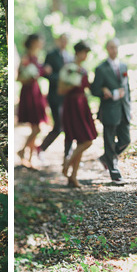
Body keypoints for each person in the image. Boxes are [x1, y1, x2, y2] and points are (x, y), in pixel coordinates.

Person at [90, 38, 131, 182]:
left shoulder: (124, 66)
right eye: (111, 47)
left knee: (126, 140)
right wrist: (103, 91)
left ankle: (106, 158)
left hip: (123, 110)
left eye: (116, 47)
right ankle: (115, 174)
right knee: (109, 141)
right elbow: (94, 89)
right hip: (108, 111)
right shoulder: (101, 69)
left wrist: (129, 108)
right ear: (107, 49)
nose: (114, 50)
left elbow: (127, 89)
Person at [58, 41, 97, 187]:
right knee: (87, 140)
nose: (86, 56)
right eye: (85, 52)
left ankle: (73, 177)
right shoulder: (68, 68)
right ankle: (67, 162)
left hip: (83, 105)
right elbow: (60, 91)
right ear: (78, 52)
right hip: (72, 104)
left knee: (83, 141)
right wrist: (72, 83)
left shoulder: (84, 70)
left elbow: (89, 87)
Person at [16, 34, 52, 168]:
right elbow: (19, 78)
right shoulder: (26, 58)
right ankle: (21, 151)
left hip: (36, 91)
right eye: (39, 41)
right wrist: (30, 76)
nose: (41, 43)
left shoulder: (36, 57)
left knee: (36, 127)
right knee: (36, 128)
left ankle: (30, 159)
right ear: (33, 42)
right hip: (28, 92)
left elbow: (38, 73)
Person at [37, 34, 74, 162]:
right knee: (58, 127)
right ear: (58, 40)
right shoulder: (51, 55)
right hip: (54, 95)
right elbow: (45, 74)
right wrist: (60, 79)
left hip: (68, 96)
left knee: (69, 125)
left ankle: (68, 154)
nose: (64, 42)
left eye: (66, 40)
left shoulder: (70, 56)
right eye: (62, 40)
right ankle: (41, 148)